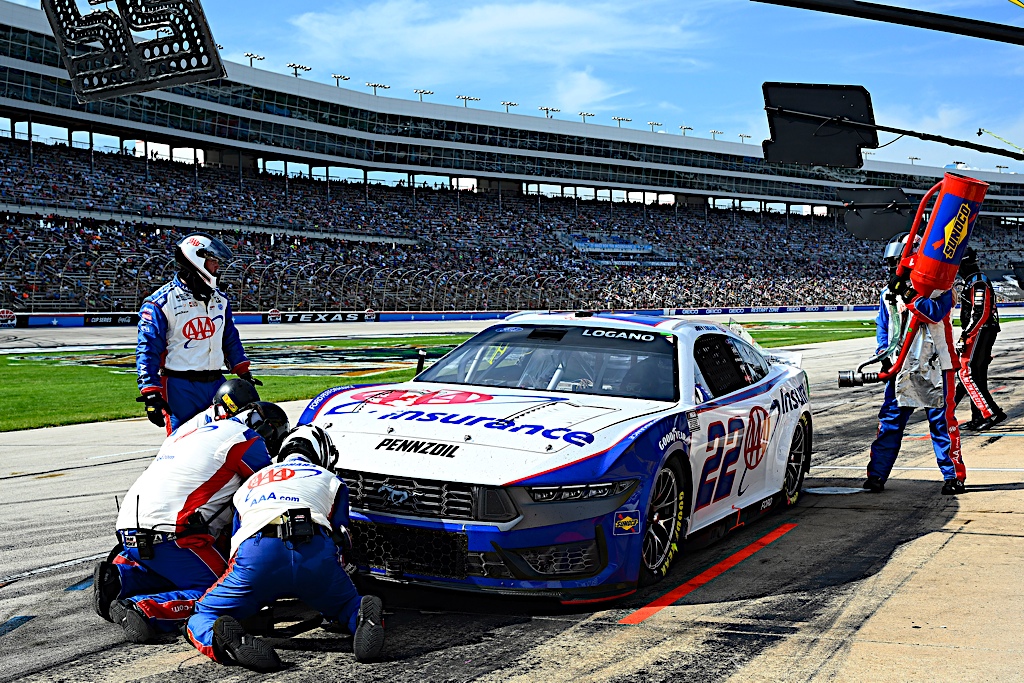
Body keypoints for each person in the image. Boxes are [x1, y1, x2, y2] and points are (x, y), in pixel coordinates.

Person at [185, 425, 385, 671]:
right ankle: (361, 616)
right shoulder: (331, 480)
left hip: (258, 551)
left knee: (203, 613)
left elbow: (236, 541)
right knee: (346, 604)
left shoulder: (248, 483)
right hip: (314, 550)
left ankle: (223, 642)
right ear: (322, 454)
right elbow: (342, 536)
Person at [93, 402, 290, 643]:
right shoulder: (246, 439)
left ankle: (122, 578)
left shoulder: (188, 433)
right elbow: (268, 487)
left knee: (178, 573)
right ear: (268, 431)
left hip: (128, 529)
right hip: (174, 535)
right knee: (229, 591)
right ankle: (146, 609)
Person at [864, 237, 966, 495]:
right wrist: (882, 352)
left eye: (897, 262)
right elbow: (882, 325)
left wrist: (909, 295)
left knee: (942, 422)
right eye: (892, 263)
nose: (894, 268)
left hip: (937, 365)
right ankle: (876, 475)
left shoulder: (942, 288)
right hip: (901, 366)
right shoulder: (887, 292)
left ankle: (953, 476)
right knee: (890, 422)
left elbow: (933, 312)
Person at [136, 233, 262, 431]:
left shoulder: (220, 299)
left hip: (216, 384)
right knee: (181, 446)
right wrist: (151, 393)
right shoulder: (160, 303)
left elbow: (229, 339)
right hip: (179, 387)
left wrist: (243, 373)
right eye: (213, 260)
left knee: (225, 441)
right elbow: (147, 350)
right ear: (197, 260)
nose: (217, 266)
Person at [954, 247, 1006, 431]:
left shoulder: (978, 282)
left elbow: (980, 313)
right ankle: (978, 417)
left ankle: (990, 413)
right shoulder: (973, 281)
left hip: (981, 331)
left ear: (965, 263)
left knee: (965, 373)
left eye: (959, 264)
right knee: (976, 375)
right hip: (982, 330)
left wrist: (965, 334)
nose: (957, 268)